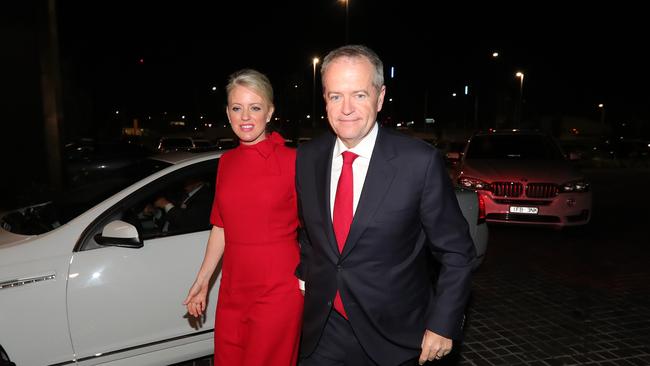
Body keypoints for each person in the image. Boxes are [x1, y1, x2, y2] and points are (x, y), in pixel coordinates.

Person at [295, 45, 476, 366]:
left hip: (394, 338)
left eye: (359, 95)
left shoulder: (418, 162)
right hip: (324, 333)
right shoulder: (308, 158)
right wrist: (306, 275)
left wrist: (443, 323)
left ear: (379, 98)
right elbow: (310, 233)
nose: (346, 108)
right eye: (335, 96)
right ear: (324, 100)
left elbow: (457, 252)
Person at [183, 69, 303, 365]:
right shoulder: (227, 162)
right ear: (227, 112)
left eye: (255, 107)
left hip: (278, 289)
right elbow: (221, 226)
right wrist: (202, 280)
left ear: (270, 112)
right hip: (233, 288)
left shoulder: (294, 161)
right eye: (237, 108)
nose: (245, 116)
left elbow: (319, 225)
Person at [146, 176, 212, 233]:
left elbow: (188, 224)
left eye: (189, 177)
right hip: (165, 233)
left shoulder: (206, 196)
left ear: (199, 181)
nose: (185, 180)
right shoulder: (185, 194)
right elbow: (171, 217)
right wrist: (155, 212)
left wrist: (166, 204)